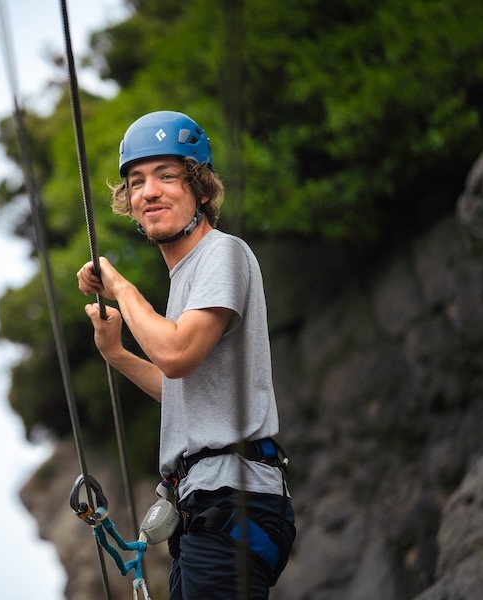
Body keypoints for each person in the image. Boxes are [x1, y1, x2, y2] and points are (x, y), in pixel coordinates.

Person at [76, 111, 296, 599]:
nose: (148, 191)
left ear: (199, 188)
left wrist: (120, 286)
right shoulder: (186, 281)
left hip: (231, 499)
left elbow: (176, 354)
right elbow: (186, 393)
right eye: (136, 182)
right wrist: (117, 355)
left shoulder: (223, 254)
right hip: (205, 506)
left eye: (167, 176)